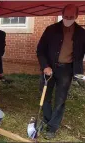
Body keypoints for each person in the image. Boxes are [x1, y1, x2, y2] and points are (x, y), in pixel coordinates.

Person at [37, 4, 85, 139]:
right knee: (45, 97)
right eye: (65, 16)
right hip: (49, 69)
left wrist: (79, 73)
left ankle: (52, 127)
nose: (68, 19)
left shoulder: (82, 33)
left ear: (76, 16)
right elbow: (40, 50)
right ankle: (46, 120)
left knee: (60, 100)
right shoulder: (51, 30)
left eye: (71, 17)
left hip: (67, 71)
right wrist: (45, 66)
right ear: (61, 14)